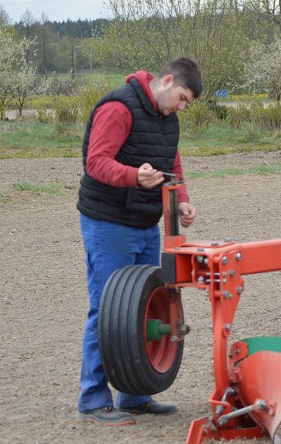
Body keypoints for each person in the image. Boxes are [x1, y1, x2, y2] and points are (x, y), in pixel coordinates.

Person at [76, 57, 202, 426]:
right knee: (108, 308)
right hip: (109, 222)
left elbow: (173, 168)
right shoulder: (119, 107)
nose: (181, 107)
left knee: (142, 306)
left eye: (186, 104)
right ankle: (93, 399)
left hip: (146, 223)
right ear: (166, 81)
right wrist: (134, 176)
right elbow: (96, 162)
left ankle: (134, 396)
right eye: (181, 98)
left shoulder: (169, 121)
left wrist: (183, 203)